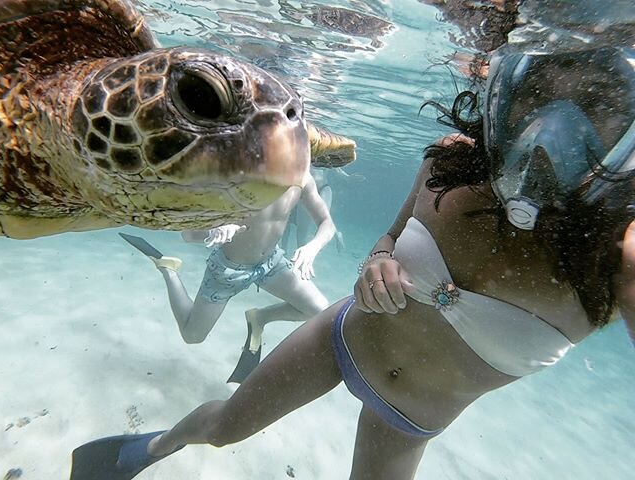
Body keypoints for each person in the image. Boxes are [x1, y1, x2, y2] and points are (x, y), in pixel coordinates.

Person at [70, 45, 635, 480]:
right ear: (505, 94)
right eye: (539, 94)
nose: (555, 133)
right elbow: (388, 236)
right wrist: (379, 260)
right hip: (340, 338)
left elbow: (323, 221)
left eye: (599, 105)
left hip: (410, 418)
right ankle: (144, 450)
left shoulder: (619, 255)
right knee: (223, 428)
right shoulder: (452, 159)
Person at [119, 169, 335, 382]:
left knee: (318, 309)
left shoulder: (303, 179)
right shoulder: (237, 179)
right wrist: (213, 229)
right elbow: (188, 234)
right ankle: (168, 270)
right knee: (192, 336)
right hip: (227, 271)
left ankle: (260, 317)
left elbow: (327, 223)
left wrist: (313, 247)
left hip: (270, 263)